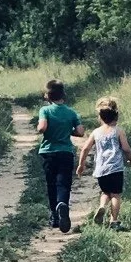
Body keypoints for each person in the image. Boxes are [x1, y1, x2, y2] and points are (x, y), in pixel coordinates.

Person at [75, 94, 131, 230]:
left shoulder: (96, 132)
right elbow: (126, 149)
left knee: (105, 193)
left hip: (101, 169)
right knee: (115, 195)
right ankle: (114, 221)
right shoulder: (118, 131)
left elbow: (85, 148)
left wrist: (81, 165)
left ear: (100, 117)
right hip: (115, 169)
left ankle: (102, 206)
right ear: (116, 116)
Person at [35, 78, 83, 232]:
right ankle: (63, 204)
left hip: (48, 152)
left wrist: (40, 128)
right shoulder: (71, 112)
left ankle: (55, 217)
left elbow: (42, 128)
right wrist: (69, 131)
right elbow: (81, 132)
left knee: (51, 184)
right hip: (66, 152)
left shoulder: (45, 110)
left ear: (47, 96)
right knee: (64, 183)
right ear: (64, 94)